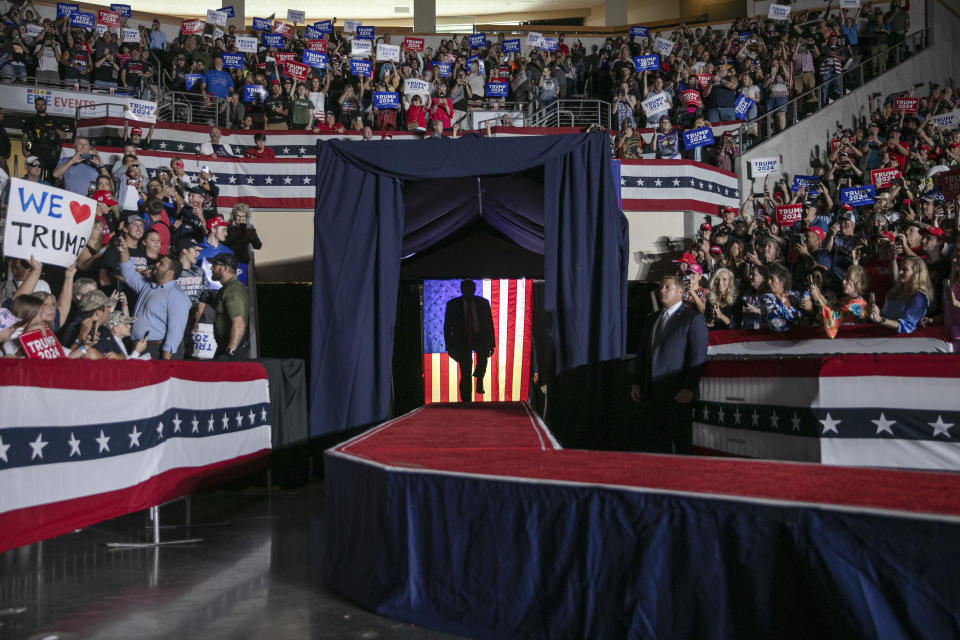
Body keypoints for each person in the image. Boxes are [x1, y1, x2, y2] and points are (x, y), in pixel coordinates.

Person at [629, 275, 708, 454]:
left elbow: (698, 357)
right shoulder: (651, 319)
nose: (662, 291)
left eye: (667, 287)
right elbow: (643, 353)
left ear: (681, 292)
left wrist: (689, 387)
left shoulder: (692, 319)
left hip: (676, 392)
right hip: (651, 392)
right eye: (661, 288)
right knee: (655, 443)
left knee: (681, 443)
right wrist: (637, 381)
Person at [116, 239, 191, 359]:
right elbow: (128, 273)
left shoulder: (177, 296)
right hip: (137, 347)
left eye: (161, 264)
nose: (156, 264)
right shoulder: (148, 286)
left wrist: (165, 359)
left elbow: (175, 330)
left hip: (157, 350)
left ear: (169, 273)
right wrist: (124, 251)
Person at [443, 279, 495, 402]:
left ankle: (479, 379)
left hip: (479, 337)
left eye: (470, 289)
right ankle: (466, 400)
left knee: (483, 359)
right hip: (461, 340)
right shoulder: (453, 304)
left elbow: (489, 324)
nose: (468, 292)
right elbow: (447, 326)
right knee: (465, 372)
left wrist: (492, 344)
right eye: (465, 289)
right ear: (461, 290)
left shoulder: (483, 303)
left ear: (474, 290)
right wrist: (449, 346)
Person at [868, 255, 932, 334]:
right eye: (900, 268)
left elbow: (906, 326)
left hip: (901, 342)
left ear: (916, 274)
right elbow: (884, 317)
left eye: (905, 270)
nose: (900, 272)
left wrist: (880, 319)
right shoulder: (894, 291)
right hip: (881, 337)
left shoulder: (920, 297)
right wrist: (875, 314)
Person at [810, 264, 869, 339]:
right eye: (844, 278)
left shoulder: (860, 305)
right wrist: (818, 294)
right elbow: (832, 308)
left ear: (857, 282)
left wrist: (818, 300)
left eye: (847, 279)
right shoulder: (843, 300)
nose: (843, 282)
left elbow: (835, 317)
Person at [209, 253, 249, 359]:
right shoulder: (228, 288)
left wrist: (229, 352)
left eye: (215, 265)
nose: (211, 268)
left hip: (233, 347)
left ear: (225, 268)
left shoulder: (232, 289)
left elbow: (239, 324)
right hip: (228, 346)